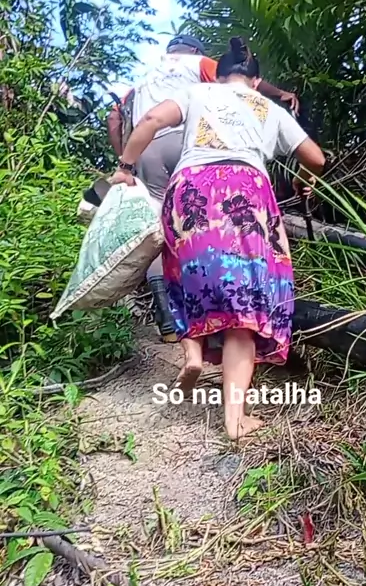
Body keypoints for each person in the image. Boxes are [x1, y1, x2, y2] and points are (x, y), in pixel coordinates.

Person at [109, 37, 325, 440]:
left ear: (219, 75)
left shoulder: (197, 92)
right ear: (255, 81)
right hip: (245, 192)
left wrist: (125, 167)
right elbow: (316, 157)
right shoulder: (268, 107)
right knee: (245, 303)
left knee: (184, 275)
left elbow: (150, 120)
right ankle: (235, 419)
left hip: (190, 187)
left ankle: (192, 354)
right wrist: (303, 180)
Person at [106, 34, 300, 339]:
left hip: (147, 147)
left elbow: (114, 118)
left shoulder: (145, 79)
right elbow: (243, 85)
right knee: (213, 224)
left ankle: (170, 320)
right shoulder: (201, 64)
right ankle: (225, 316)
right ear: (196, 50)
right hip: (190, 144)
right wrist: (280, 94)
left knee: (164, 231)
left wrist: (125, 162)